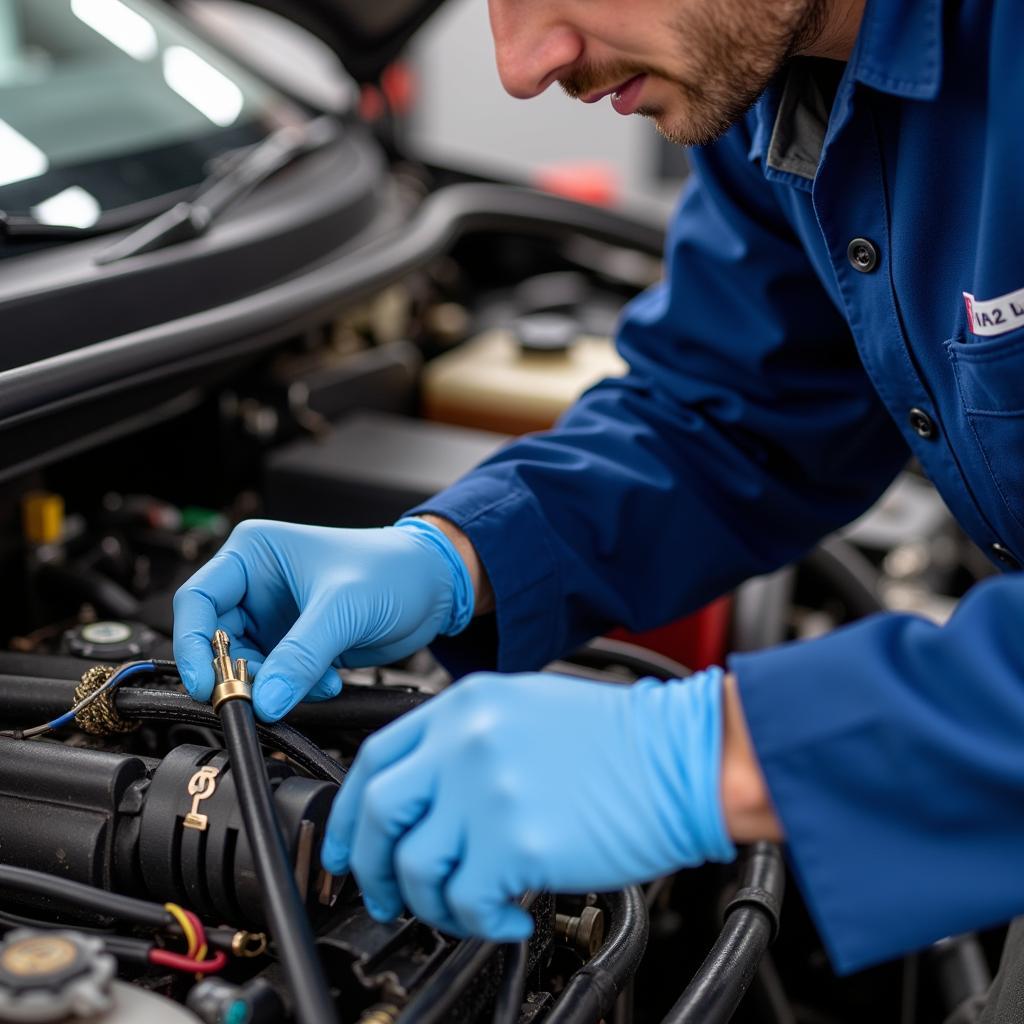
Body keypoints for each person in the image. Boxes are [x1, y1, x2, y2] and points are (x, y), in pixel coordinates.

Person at [172, 0, 1024, 976]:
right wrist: (458, 553)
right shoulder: (766, 90)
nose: (523, 66)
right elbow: (734, 407)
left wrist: (704, 761)